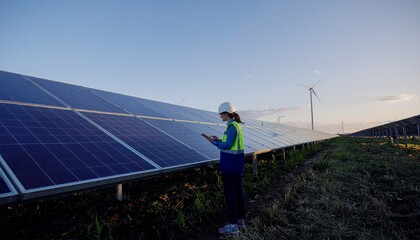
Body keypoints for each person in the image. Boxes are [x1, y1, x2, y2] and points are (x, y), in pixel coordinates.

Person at [202, 102, 246, 234]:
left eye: (221, 114)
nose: (220, 116)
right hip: (236, 165)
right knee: (238, 193)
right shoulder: (235, 126)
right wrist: (219, 139)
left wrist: (213, 142)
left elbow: (227, 145)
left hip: (230, 166)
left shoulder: (232, 126)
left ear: (227, 114)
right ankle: (240, 222)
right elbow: (230, 143)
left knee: (231, 195)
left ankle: (233, 226)